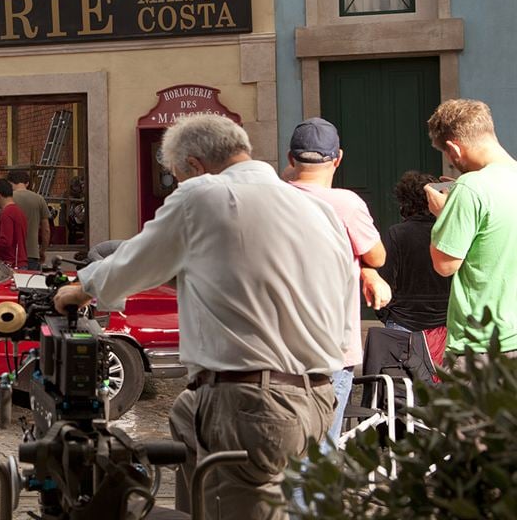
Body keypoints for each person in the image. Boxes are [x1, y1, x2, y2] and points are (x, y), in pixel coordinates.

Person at [54, 114, 356, 519]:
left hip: (252, 401)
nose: (177, 186)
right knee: (186, 412)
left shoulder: (203, 195)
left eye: (176, 177)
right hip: (316, 397)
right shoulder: (315, 209)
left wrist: (80, 290)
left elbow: (133, 263)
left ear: (194, 167)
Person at [283, 116, 385, 449]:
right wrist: (367, 267)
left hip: (279, 348)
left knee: (287, 451)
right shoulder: (346, 204)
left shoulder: (272, 200)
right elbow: (378, 255)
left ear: (290, 158)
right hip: (332, 350)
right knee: (320, 452)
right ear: (337, 158)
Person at [425, 99, 517, 362]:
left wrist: (445, 215)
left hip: (480, 346)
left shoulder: (470, 187)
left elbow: (444, 264)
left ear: (454, 147)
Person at [364, 170, 451, 333]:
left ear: (405, 201)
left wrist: (386, 315)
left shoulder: (397, 233)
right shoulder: (451, 231)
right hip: (447, 321)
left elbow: (385, 277)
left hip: (404, 320)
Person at [0, 169, 49, 270]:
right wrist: (42, 250)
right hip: (33, 253)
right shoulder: (39, 199)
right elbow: (46, 230)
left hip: (13, 256)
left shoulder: (7, 199)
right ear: (27, 183)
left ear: (9, 183)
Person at [0, 178, 28, 269]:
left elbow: (5, 242)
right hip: (20, 261)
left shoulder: (7, 213)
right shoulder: (19, 211)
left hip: (11, 263)